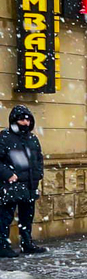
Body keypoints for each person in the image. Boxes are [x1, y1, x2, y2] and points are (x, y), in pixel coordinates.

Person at [0, 105, 46, 258]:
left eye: (27, 119)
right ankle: (3, 246)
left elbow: (39, 158)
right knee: (5, 216)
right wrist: (8, 174)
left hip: (30, 184)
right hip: (12, 184)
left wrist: (38, 173)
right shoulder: (5, 137)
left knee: (27, 216)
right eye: (22, 119)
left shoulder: (32, 138)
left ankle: (27, 243)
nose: (25, 122)